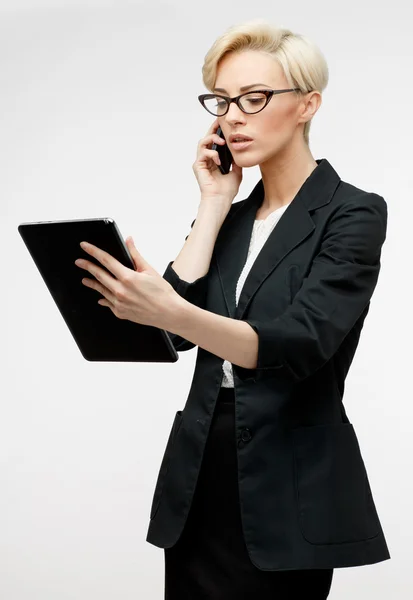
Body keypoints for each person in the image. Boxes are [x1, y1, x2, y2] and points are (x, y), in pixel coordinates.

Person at [145, 19, 391, 599]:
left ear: (308, 105)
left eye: (254, 99)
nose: (233, 116)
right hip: (202, 471)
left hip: (288, 482)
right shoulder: (229, 220)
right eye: (223, 101)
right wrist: (211, 205)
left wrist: (171, 315)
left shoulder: (351, 214)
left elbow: (298, 341)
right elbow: (171, 337)